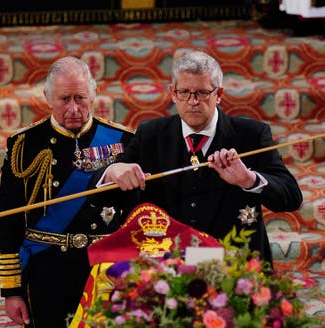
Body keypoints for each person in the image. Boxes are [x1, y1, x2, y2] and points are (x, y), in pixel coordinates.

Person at [0, 56, 135, 328]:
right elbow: (10, 223)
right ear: (48, 98)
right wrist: (12, 291)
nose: (73, 108)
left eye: (80, 98)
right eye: (64, 99)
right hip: (49, 268)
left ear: (94, 95)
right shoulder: (24, 147)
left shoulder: (123, 143)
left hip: (105, 270)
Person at [97, 50, 303, 262]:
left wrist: (248, 179)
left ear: (219, 94)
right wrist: (113, 171)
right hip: (167, 262)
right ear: (173, 93)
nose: (193, 101)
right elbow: (112, 185)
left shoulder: (251, 134)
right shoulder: (150, 135)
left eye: (202, 93)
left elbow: (291, 197)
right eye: (184, 92)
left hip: (233, 263)